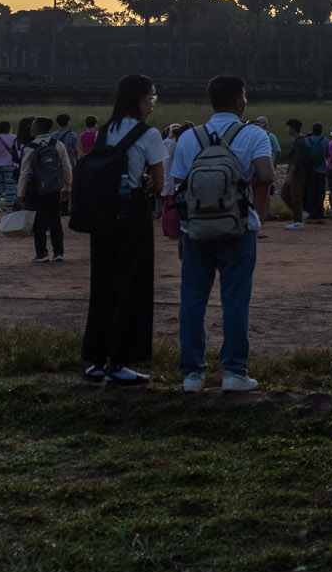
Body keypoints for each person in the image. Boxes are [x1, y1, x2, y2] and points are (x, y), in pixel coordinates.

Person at [169, 74, 276, 392]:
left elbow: (177, 188)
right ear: (240, 102)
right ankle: (233, 372)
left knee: (192, 299)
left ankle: (191, 374)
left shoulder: (189, 137)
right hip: (238, 228)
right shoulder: (253, 134)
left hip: (196, 231)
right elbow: (267, 175)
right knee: (235, 301)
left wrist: (183, 230)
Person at [80, 75, 167, 385]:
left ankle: (95, 359)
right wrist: (146, 181)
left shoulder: (105, 131)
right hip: (131, 214)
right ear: (139, 100)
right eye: (151, 99)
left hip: (102, 216)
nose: (152, 105)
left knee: (102, 285)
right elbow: (159, 184)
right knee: (133, 286)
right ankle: (120, 362)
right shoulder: (149, 134)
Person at [17, 117, 72, 262]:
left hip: (36, 187)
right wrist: (67, 186)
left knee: (39, 221)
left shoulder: (30, 147)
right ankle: (59, 252)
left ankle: (42, 254)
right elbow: (66, 167)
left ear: (36, 129)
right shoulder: (58, 144)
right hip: (54, 187)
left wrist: (20, 193)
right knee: (55, 219)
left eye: (33, 126)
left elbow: (24, 171)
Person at [280, 119, 307, 228]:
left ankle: (298, 221)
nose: (287, 129)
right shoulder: (297, 141)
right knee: (284, 194)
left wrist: (290, 175)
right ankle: (300, 213)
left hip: (297, 173)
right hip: (293, 172)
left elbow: (297, 160)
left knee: (295, 196)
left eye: (288, 127)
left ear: (293, 128)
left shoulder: (300, 142)